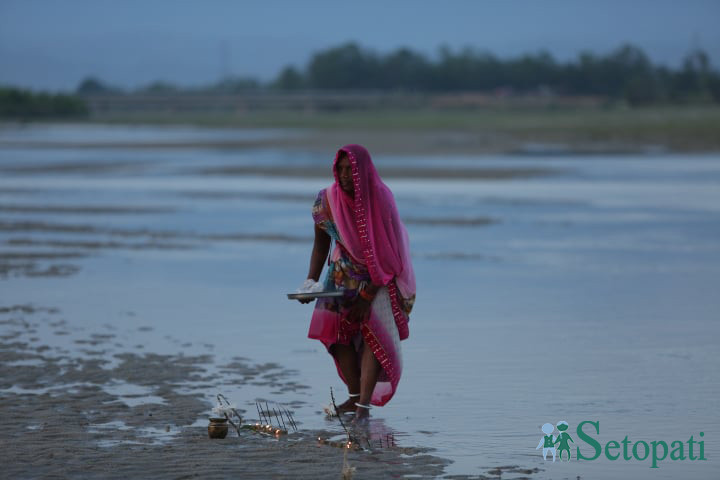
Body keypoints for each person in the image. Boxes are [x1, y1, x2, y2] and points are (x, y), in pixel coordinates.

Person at [298, 144, 415, 420]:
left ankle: (363, 406)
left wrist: (367, 296)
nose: (345, 175)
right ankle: (353, 397)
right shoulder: (327, 200)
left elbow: (390, 253)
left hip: (379, 279)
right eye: (340, 169)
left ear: (363, 171)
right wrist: (310, 283)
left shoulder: (380, 199)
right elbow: (320, 246)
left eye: (351, 170)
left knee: (373, 337)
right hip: (340, 276)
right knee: (336, 336)